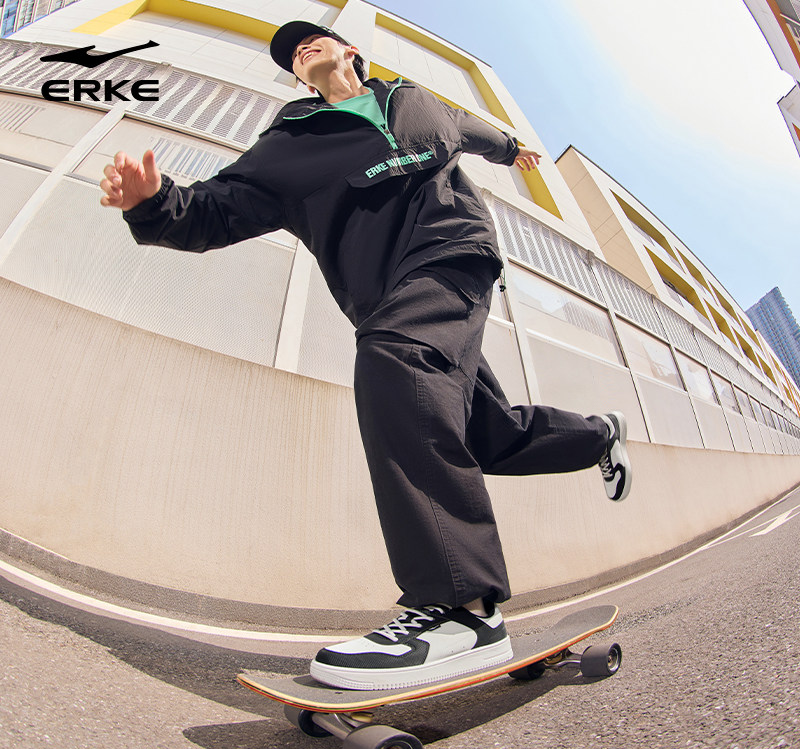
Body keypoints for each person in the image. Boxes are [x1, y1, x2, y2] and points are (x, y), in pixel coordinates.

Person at [100, 20, 632, 691]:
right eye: (292, 55)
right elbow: (219, 207)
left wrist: (512, 149)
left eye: (312, 40)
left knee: (398, 364)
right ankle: (597, 434)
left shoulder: (412, 100)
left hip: (451, 251)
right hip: (385, 295)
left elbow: (468, 128)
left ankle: (462, 611)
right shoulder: (291, 144)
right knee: (484, 435)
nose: (302, 49)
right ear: (298, 79)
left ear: (350, 51)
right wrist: (153, 204)